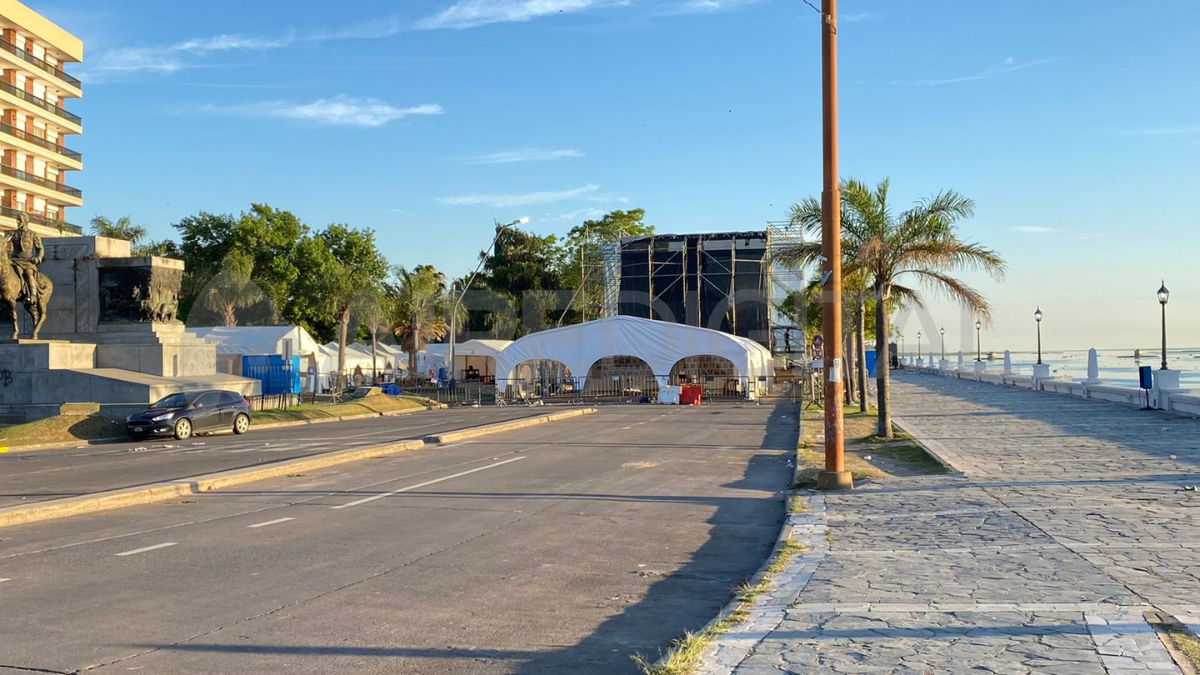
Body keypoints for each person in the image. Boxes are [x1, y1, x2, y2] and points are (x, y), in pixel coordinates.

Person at [10, 213, 44, 304]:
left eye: (20, 220)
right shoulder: (13, 233)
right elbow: (4, 241)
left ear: (25, 221)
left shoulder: (33, 234)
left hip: (27, 261)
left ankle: (32, 295)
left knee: (29, 273)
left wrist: (38, 258)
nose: (18, 222)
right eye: (17, 220)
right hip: (14, 260)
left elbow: (40, 249)